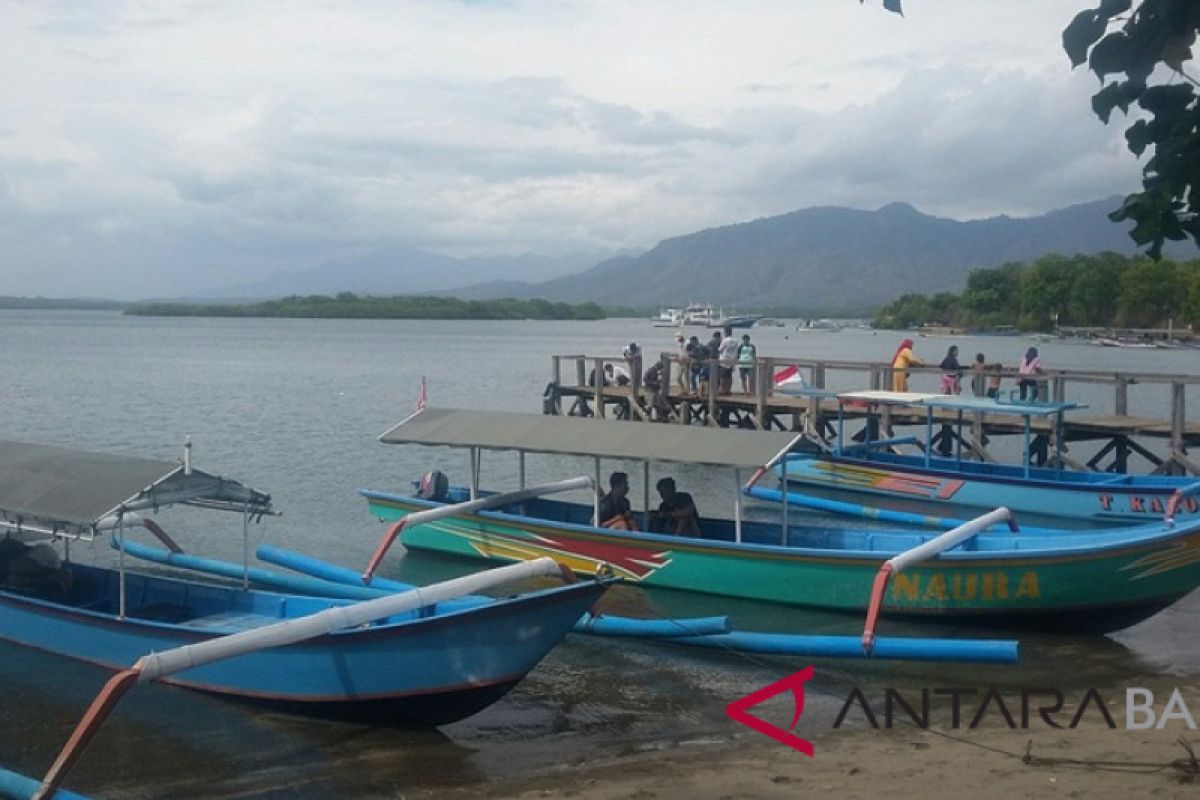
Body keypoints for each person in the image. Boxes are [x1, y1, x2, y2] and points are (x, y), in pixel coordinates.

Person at [717, 327, 738, 395]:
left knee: (722, 376)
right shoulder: (735, 340)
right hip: (732, 359)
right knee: (729, 376)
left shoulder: (725, 340)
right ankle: (728, 389)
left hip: (724, 359)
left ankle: (722, 389)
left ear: (725, 332)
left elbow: (720, 349)